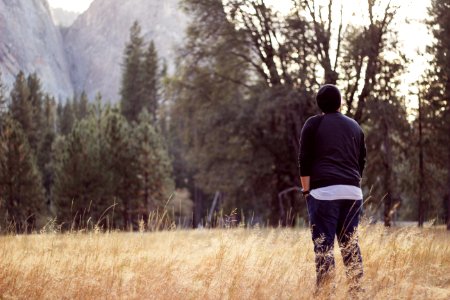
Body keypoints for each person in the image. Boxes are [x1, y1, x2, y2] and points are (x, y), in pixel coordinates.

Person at [298, 84, 366, 292]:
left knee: (324, 247)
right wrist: (352, 183)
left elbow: (304, 159)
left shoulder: (313, 124)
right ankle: (357, 293)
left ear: (319, 104)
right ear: (340, 103)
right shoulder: (355, 126)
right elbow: (361, 160)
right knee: (350, 247)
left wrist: (307, 192)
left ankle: (326, 293)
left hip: (324, 194)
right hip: (353, 193)